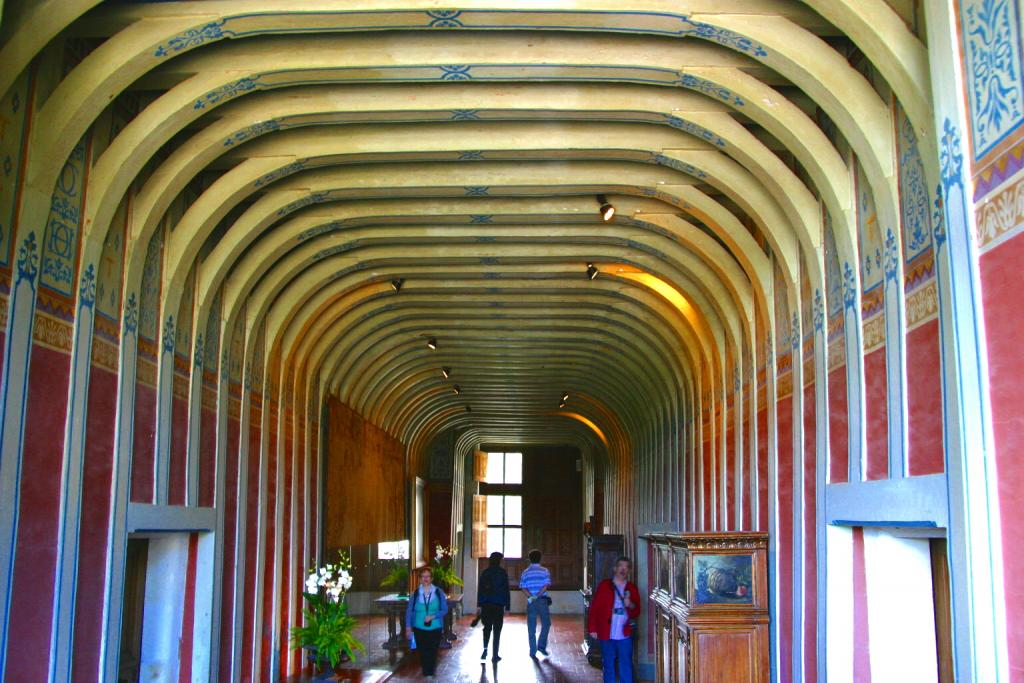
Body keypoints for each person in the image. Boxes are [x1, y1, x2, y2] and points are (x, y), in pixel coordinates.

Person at [587, 556, 641, 683]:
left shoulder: (632, 589)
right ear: (615, 569)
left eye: (626, 567)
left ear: (629, 571)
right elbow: (594, 608)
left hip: (624, 633)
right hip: (607, 632)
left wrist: (630, 604)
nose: (623, 569)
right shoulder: (605, 586)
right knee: (608, 664)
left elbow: (637, 611)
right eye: (621, 566)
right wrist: (592, 628)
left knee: (625, 664)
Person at [405, 565, 448, 679]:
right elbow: (409, 611)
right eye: (423, 577)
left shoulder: (439, 592)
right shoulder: (415, 594)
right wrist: (408, 627)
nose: (425, 579)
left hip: (435, 627)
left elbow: (444, 609)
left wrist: (433, 616)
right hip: (419, 627)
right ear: (419, 579)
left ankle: (429, 673)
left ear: (432, 578)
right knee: (422, 651)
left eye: (428, 576)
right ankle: (426, 672)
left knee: (433, 651)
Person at [475, 551, 511, 662]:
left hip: (486, 604)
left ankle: (485, 649)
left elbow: (480, 589)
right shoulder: (502, 573)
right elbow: (506, 590)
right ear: (499, 560)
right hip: (498, 605)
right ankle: (495, 655)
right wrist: (508, 606)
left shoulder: (485, 572)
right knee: (497, 630)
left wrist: (479, 604)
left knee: (487, 628)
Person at [519, 548, 552, 658]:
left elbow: (523, 588)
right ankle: (541, 647)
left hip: (531, 601)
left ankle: (533, 650)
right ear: (540, 558)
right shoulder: (544, 571)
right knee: (546, 624)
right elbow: (546, 585)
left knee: (531, 626)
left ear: (529, 559)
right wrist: (538, 595)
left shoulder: (525, 572)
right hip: (542, 600)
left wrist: (532, 596)